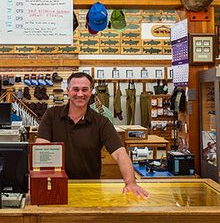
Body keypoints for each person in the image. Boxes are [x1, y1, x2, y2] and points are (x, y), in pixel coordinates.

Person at [36, 71, 149, 199]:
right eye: (75, 89)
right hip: (55, 186)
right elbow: (41, 147)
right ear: (68, 90)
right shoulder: (52, 115)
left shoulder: (101, 121)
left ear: (91, 91)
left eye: (85, 89)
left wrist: (131, 182)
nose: (80, 94)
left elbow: (120, 153)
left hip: (90, 186)